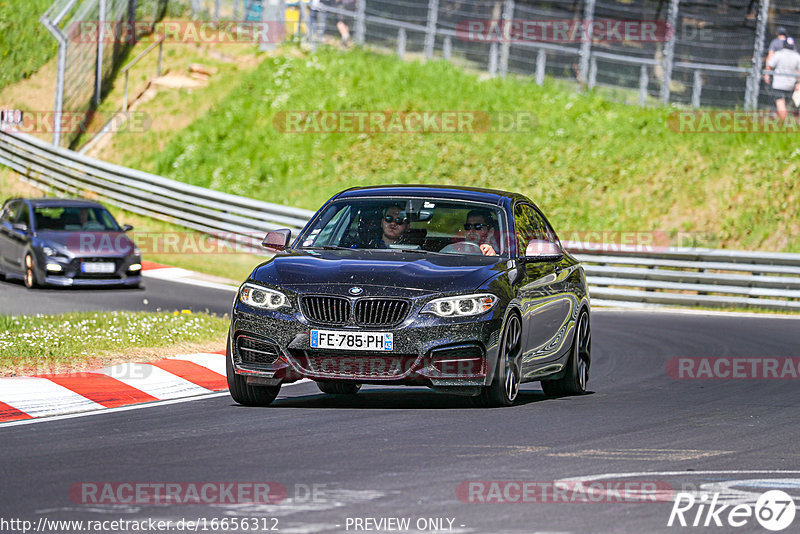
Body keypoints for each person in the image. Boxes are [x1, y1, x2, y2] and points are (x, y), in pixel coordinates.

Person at [766, 36, 800, 120]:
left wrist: (767, 75)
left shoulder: (778, 54)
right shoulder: (797, 56)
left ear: (783, 45)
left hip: (778, 84)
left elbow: (770, 66)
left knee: (780, 102)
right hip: (791, 84)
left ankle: (784, 122)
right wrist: (798, 83)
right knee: (788, 104)